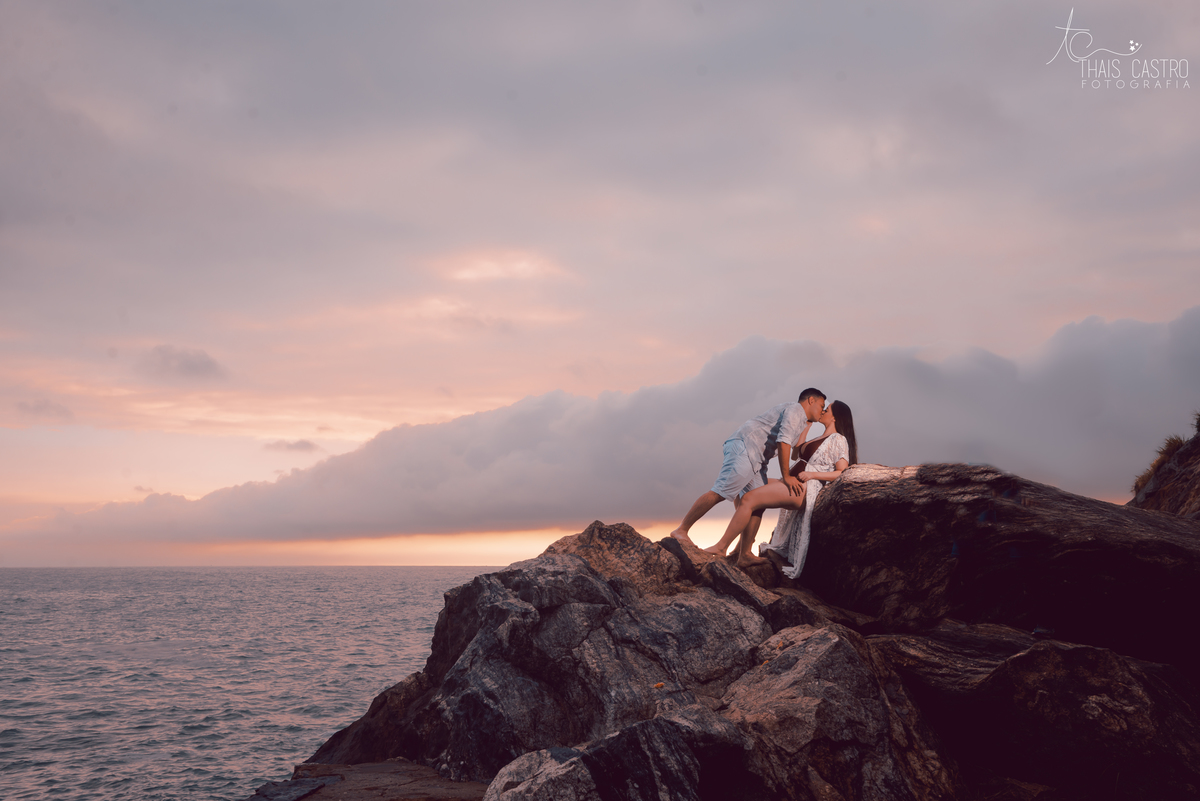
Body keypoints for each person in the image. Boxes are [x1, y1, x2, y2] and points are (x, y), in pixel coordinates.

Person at [705, 400, 858, 572]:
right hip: (791, 482)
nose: (822, 411)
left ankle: (722, 546)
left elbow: (841, 472)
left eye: (827, 409)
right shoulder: (820, 437)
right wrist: (807, 424)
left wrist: (812, 475)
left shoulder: (838, 439)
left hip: (805, 488)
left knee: (750, 498)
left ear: (835, 417)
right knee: (745, 486)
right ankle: (741, 550)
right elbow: (796, 453)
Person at [670, 388, 827, 548]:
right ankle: (681, 530)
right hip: (746, 448)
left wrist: (808, 425)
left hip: (758, 459)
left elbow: (795, 453)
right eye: (822, 406)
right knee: (720, 492)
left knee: (758, 504)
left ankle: (744, 554)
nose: (822, 411)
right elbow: (783, 442)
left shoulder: (800, 420)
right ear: (811, 400)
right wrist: (786, 477)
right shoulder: (795, 410)